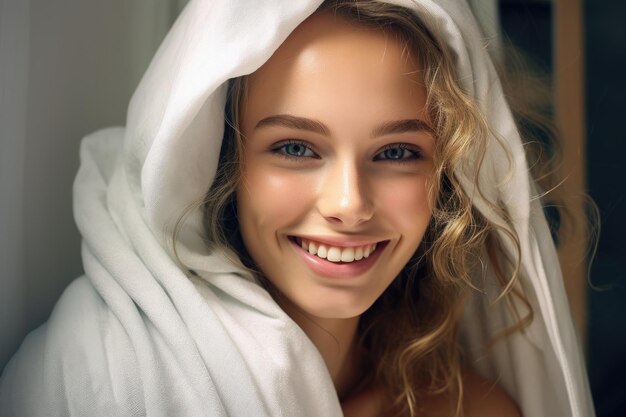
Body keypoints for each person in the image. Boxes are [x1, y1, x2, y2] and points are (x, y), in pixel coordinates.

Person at [0, 1, 594, 416]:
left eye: (395, 151)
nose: (348, 204)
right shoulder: (96, 371)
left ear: (447, 176)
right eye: (294, 147)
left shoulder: (477, 411)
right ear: (225, 164)